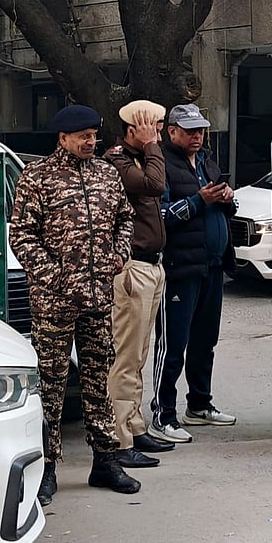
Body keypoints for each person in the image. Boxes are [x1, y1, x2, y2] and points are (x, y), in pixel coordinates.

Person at [9, 104, 140, 505]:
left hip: (100, 296)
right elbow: (22, 236)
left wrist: (119, 255)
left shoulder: (106, 174)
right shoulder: (38, 177)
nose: (90, 142)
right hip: (54, 302)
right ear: (62, 138)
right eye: (82, 136)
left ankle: (105, 459)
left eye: (93, 135)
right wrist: (56, 279)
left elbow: (125, 219)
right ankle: (48, 467)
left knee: (98, 377)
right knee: (49, 384)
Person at [149, 104, 237, 443]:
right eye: (189, 131)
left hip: (212, 265)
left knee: (205, 341)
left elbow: (224, 205)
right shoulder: (162, 165)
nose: (197, 136)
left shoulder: (205, 161)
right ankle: (163, 414)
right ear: (171, 131)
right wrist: (200, 200)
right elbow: (160, 216)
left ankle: (199, 404)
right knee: (173, 344)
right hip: (179, 268)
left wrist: (226, 198)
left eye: (200, 130)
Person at [104, 100, 175, 467]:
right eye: (155, 128)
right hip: (131, 269)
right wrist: (151, 148)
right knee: (125, 356)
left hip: (152, 266)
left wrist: (149, 148)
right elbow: (155, 185)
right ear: (136, 128)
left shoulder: (139, 157)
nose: (159, 135)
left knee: (140, 354)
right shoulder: (117, 160)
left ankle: (134, 425)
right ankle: (119, 438)